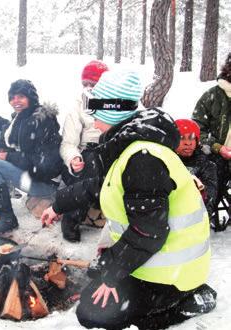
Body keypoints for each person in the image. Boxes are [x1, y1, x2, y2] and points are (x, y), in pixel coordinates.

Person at [41, 70, 216, 329]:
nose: (92, 120)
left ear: (112, 110)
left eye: (96, 109)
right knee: (98, 274)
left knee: (93, 313)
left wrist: (112, 276)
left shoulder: (142, 158)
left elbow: (148, 232)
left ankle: (190, 299)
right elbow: (102, 186)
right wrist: (58, 204)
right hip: (153, 256)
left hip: (173, 270)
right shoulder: (131, 146)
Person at [0, 79, 63, 233]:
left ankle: (8, 218)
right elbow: (11, 145)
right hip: (32, 175)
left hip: (46, 184)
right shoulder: (21, 118)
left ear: (31, 97)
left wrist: (9, 157)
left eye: (21, 97)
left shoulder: (42, 121)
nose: (15, 101)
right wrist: (5, 151)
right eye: (12, 97)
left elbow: (42, 164)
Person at [59, 59, 109, 242]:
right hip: (87, 152)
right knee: (91, 165)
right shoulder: (77, 106)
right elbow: (68, 143)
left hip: (111, 147)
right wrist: (73, 158)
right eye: (85, 84)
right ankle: (72, 218)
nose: (88, 88)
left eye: (93, 84)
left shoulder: (115, 103)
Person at [192, 52, 231, 202]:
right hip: (216, 155)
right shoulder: (211, 96)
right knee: (212, 180)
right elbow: (197, 130)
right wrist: (217, 147)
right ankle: (209, 210)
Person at [175, 119, 218, 219]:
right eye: (182, 138)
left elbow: (208, 199)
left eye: (192, 138)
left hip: (195, 221)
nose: (188, 143)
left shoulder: (207, 165)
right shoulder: (164, 160)